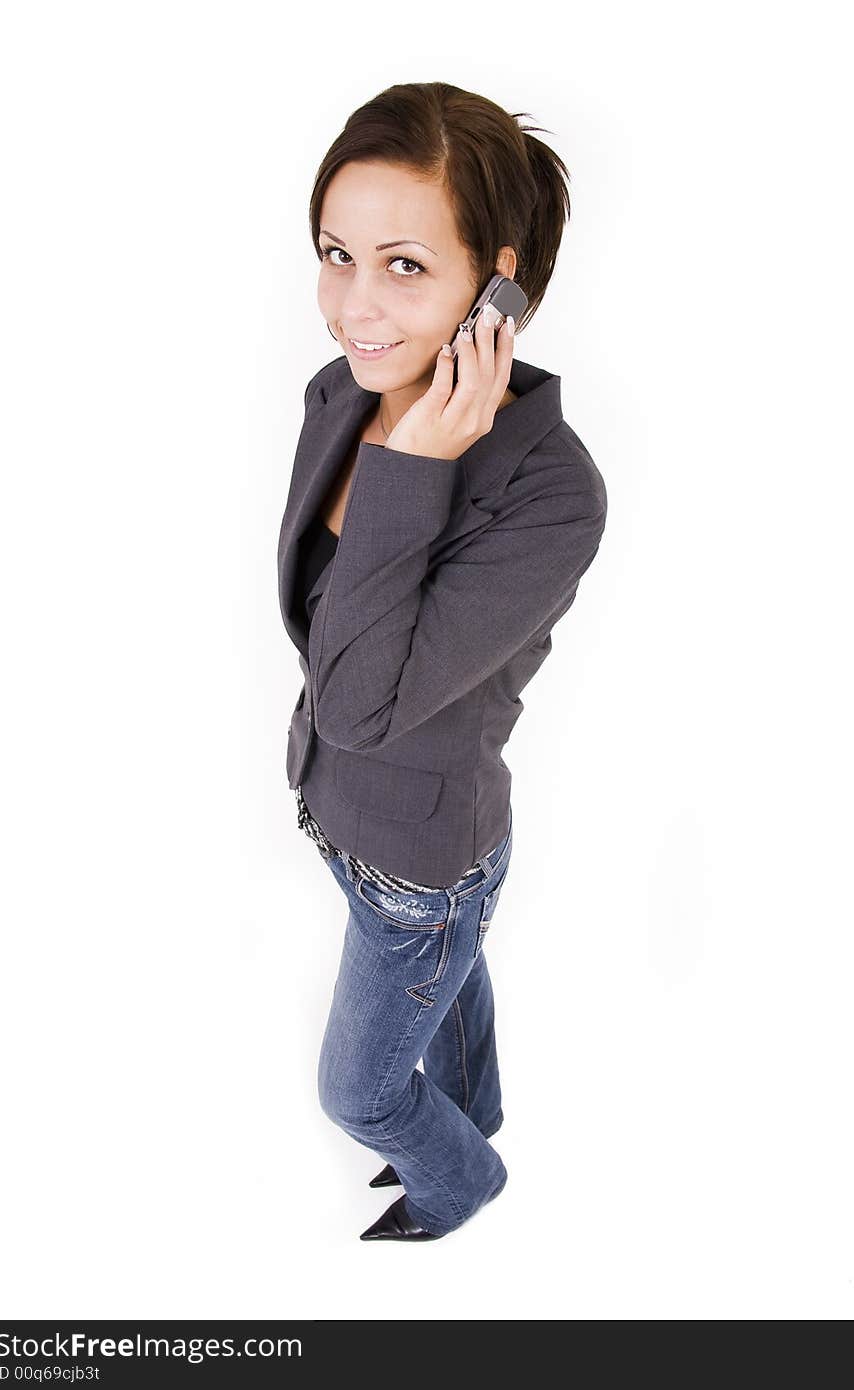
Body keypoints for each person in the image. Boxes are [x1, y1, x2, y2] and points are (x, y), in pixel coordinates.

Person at [276, 81, 608, 1241]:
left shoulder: (550, 491)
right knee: (453, 982)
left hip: (422, 859)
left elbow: (364, 698)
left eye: (403, 265)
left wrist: (417, 458)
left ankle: (458, 1181)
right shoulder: (341, 395)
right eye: (335, 253)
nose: (352, 307)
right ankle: (477, 1106)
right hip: (344, 810)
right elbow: (324, 633)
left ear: (498, 277)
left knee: (359, 1089)